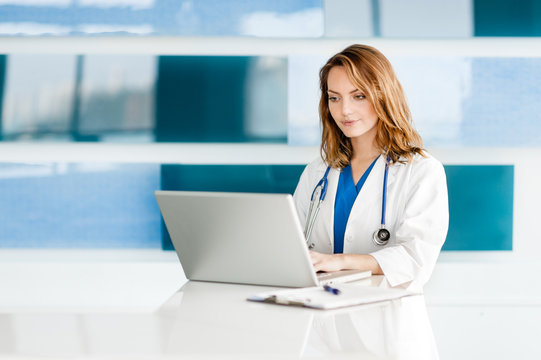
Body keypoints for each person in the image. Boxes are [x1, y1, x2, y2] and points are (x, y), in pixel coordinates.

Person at [293, 44, 449, 290]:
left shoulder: (421, 170)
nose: (345, 110)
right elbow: (292, 249)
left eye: (359, 96)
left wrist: (339, 262)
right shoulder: (317, 172)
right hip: (322, 313)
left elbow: (416, 258)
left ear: (383, 96)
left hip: (387, 316)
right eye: (334, 98)